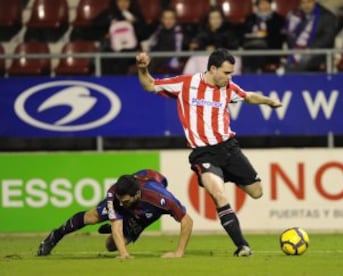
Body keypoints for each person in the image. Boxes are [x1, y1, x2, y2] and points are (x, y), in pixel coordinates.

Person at [136, 48, 282, 256]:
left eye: (231, 73)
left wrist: (268, 101)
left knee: (256, 191)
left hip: (229, 148)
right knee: (219, 195)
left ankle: (225, 175)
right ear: (212, 69)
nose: (229, 77)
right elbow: (150, 85)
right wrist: (143, 69)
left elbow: (248, 96)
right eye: (226, 72)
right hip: (204, 154)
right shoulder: (186, 84)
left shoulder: (228, 87)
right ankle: (242, 246)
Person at [37, 169, 193, 259]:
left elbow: (187, 221)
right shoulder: (114, 194)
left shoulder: (159, 198)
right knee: (92, 217)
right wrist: (124, 254)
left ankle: (122, 221)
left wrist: (178, 252)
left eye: (125, 201)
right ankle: (55, 235)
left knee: (110, 246)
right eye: (120, 200)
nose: (121, 203)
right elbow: (117, 226)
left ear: (137, 195)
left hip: (145, 211)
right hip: (129, 207)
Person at [283, 0, 338, 72]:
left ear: (315, 2)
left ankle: (294, 80)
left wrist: (310, 48)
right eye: (303, 3)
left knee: (302, 61)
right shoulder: (296, 15)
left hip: (319, 52)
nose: (306, 5)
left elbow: (328, 38)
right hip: (297, 50)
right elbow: (290, 36)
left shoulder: (326, 16)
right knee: (289, 62)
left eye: (309, 2)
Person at [242, 0, 285, 73]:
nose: (264, 6)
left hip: (271, 53)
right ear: (257, 5)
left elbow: (280, 39)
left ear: (270, 4)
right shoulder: (250, 19)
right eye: (262, 3)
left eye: (266, 3)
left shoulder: (278, 19)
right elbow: (244, 35)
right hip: (252, 54)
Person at [145, 8, 186, 74]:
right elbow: (150, 43)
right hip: (156, 55)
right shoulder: (159, 29)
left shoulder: (179, 32)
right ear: (162, 19)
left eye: (171, 18)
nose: (168, 21)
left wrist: (175, 59)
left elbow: (179, 49)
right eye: (165, 18)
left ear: (175, 20)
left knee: (154, 61)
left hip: (170, 57)